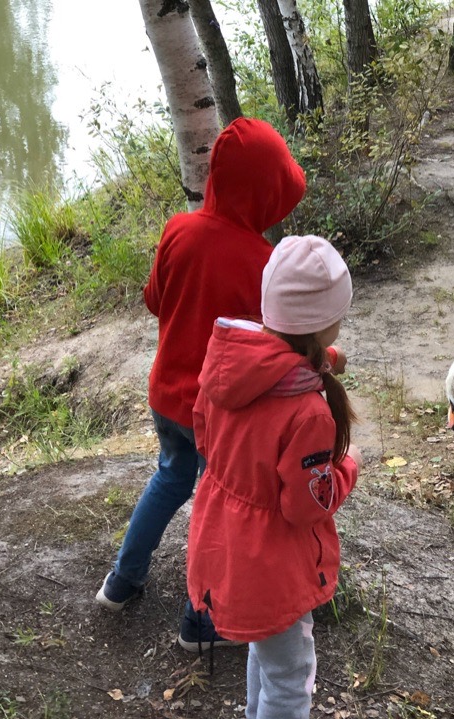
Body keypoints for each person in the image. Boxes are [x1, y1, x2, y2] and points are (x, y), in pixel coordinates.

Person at [95, 117, 310, 653]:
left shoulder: (177, 230)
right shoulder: (263, 263)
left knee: (169, 479)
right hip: (218, 414)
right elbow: (276, 347)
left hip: (166, 398)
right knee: (217, 506)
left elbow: (154, 301)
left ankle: (121, 584)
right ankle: (198, 622)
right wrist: (325, 357)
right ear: (264, 194)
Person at [186, 234, 362, 719]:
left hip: (222, 539)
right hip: (271, 563)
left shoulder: (227, 364)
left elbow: (204, 432)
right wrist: (348, 468)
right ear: (324, 323)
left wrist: (323, 362)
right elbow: (306, 505)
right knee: (291, 674)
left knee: (264, 653)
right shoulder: (307, 413)